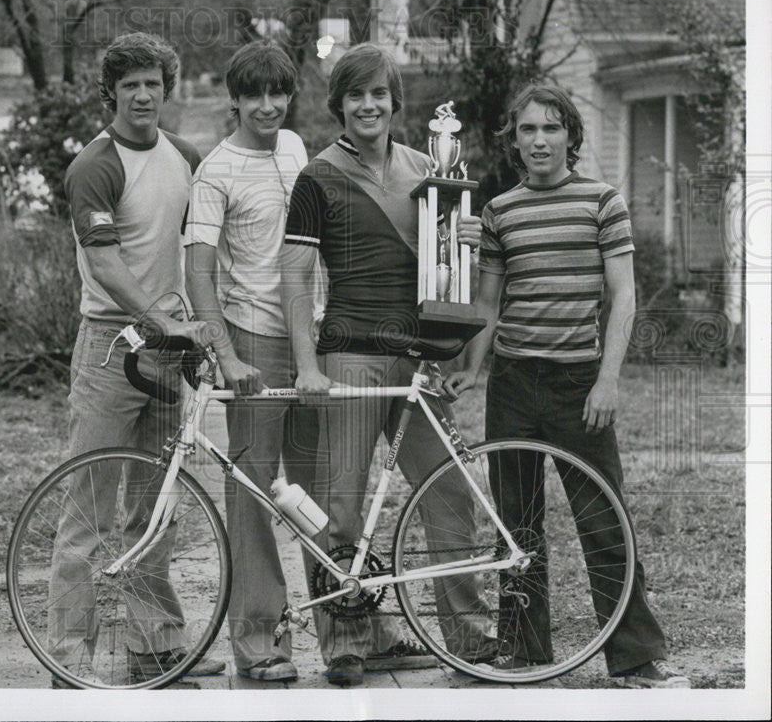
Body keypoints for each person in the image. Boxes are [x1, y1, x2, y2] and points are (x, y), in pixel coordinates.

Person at [443, 83, 691, 689]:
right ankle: (526, 650)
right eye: (527, 130)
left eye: (551, 128)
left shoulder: (602, 202)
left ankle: (634, 656)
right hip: (514, 383)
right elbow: (490, 300)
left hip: (579, 383)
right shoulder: (501, 210)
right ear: (515, 140)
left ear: (570, 136)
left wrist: (608, 380)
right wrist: (474, 368)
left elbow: (623, 296)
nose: (539, 140)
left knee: (603, 519)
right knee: (516, 525)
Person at [280, 43, 499, 687]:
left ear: (394, 101)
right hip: (347, 355)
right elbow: (295, 278)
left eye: (379, 93)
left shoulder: (429, 167)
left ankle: (469, 636)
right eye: (356, 95)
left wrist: (465, 237)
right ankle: (348, 643)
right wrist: (305, 366)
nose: (369, 105)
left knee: (450, 490)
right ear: (340, 105)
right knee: (341, 505)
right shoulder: (316, 176)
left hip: (417, 361)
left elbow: (449, 273)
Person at [47, 31, 225, 687]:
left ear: (166, 87)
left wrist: (192, 334)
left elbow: (199, 254)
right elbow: (105, 263)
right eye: (130, 86)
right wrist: (165, 321)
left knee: (156, 505)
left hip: (166, 347)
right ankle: (69, 649)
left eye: (152, 82)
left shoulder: (185, 156)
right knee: (89, 501)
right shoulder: (95, 165)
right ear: (111, 94)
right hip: (110, 344)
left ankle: (155, 643)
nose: (143, 94)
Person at [183, 40, 314, 682]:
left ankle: (350, 628)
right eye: (254, 94)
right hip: (255, 342)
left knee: (320, 490)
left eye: (277, 93)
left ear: (289, 96)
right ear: (234, 99)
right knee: (255, 494)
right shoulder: (216, 171)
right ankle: (262, 646)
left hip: (310, 340)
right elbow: (198, 273)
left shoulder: (295, 149)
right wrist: (226, 356)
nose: (267, 105)